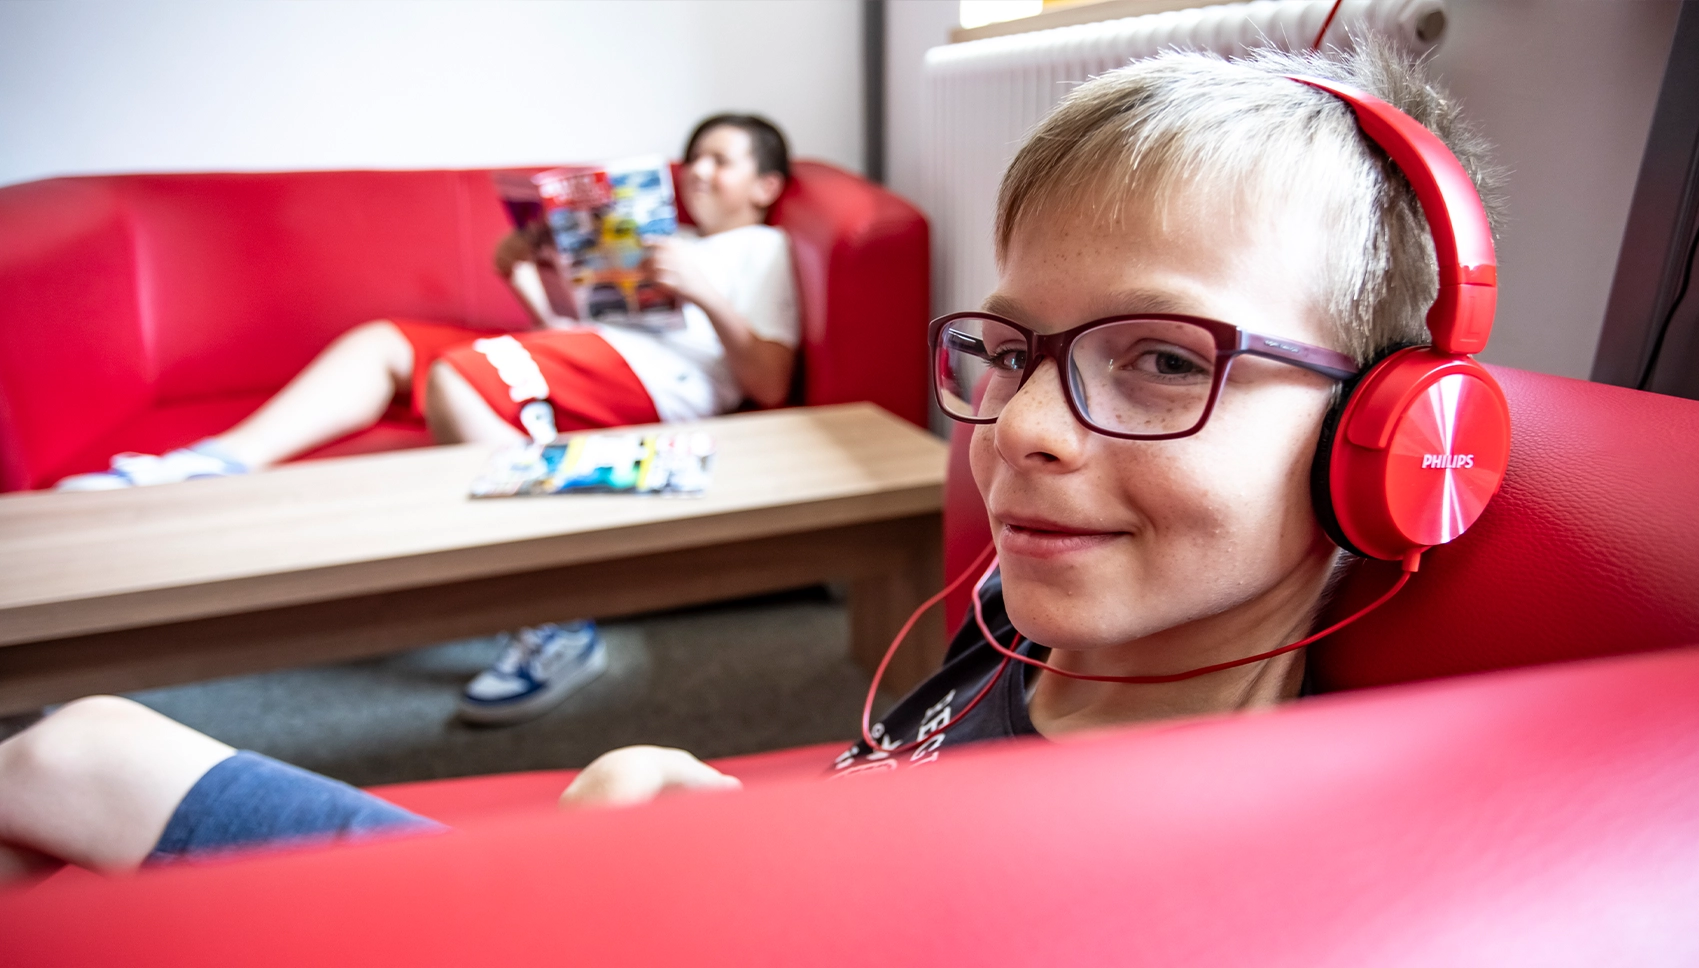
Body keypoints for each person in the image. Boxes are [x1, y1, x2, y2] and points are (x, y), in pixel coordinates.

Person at [0, 42, 1500, 885]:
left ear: (1392, 439)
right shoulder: (1024, 636)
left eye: (1165, 359)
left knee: (69, 765)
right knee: (76, 750)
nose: (1023, 428)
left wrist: (672, 889)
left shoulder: (1165, 855)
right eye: (1016, 349)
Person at [54, 114, 803, 726]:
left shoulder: (760, 249)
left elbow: (768, 380)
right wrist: (525, 273)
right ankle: (214, 462)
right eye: (694, 158)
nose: (699, 171)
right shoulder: (673, 243)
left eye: (722, 161)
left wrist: (705, 291)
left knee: (459, 378)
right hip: (590, 353)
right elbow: (557, 339)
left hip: (663, 382)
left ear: (767, 185)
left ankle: (556, 616)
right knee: (387, 344)